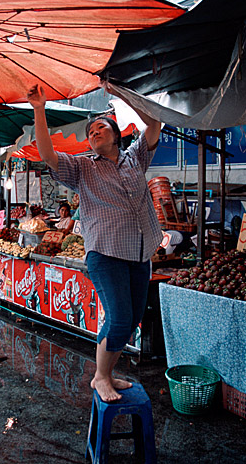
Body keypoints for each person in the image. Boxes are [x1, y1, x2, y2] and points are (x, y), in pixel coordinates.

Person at [27, 84, 162, 402]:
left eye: (101, 126)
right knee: (118, 318)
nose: (94, 130)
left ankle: (108, 373)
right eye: (91, 130)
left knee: (130, 320)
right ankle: (101, 377)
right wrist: (39, 109)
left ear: (116, 135)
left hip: (141, 252)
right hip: (105, 253)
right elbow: (47, 154)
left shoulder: (135, 159)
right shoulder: (82, 167)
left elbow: (153, 125)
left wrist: (125, 95)